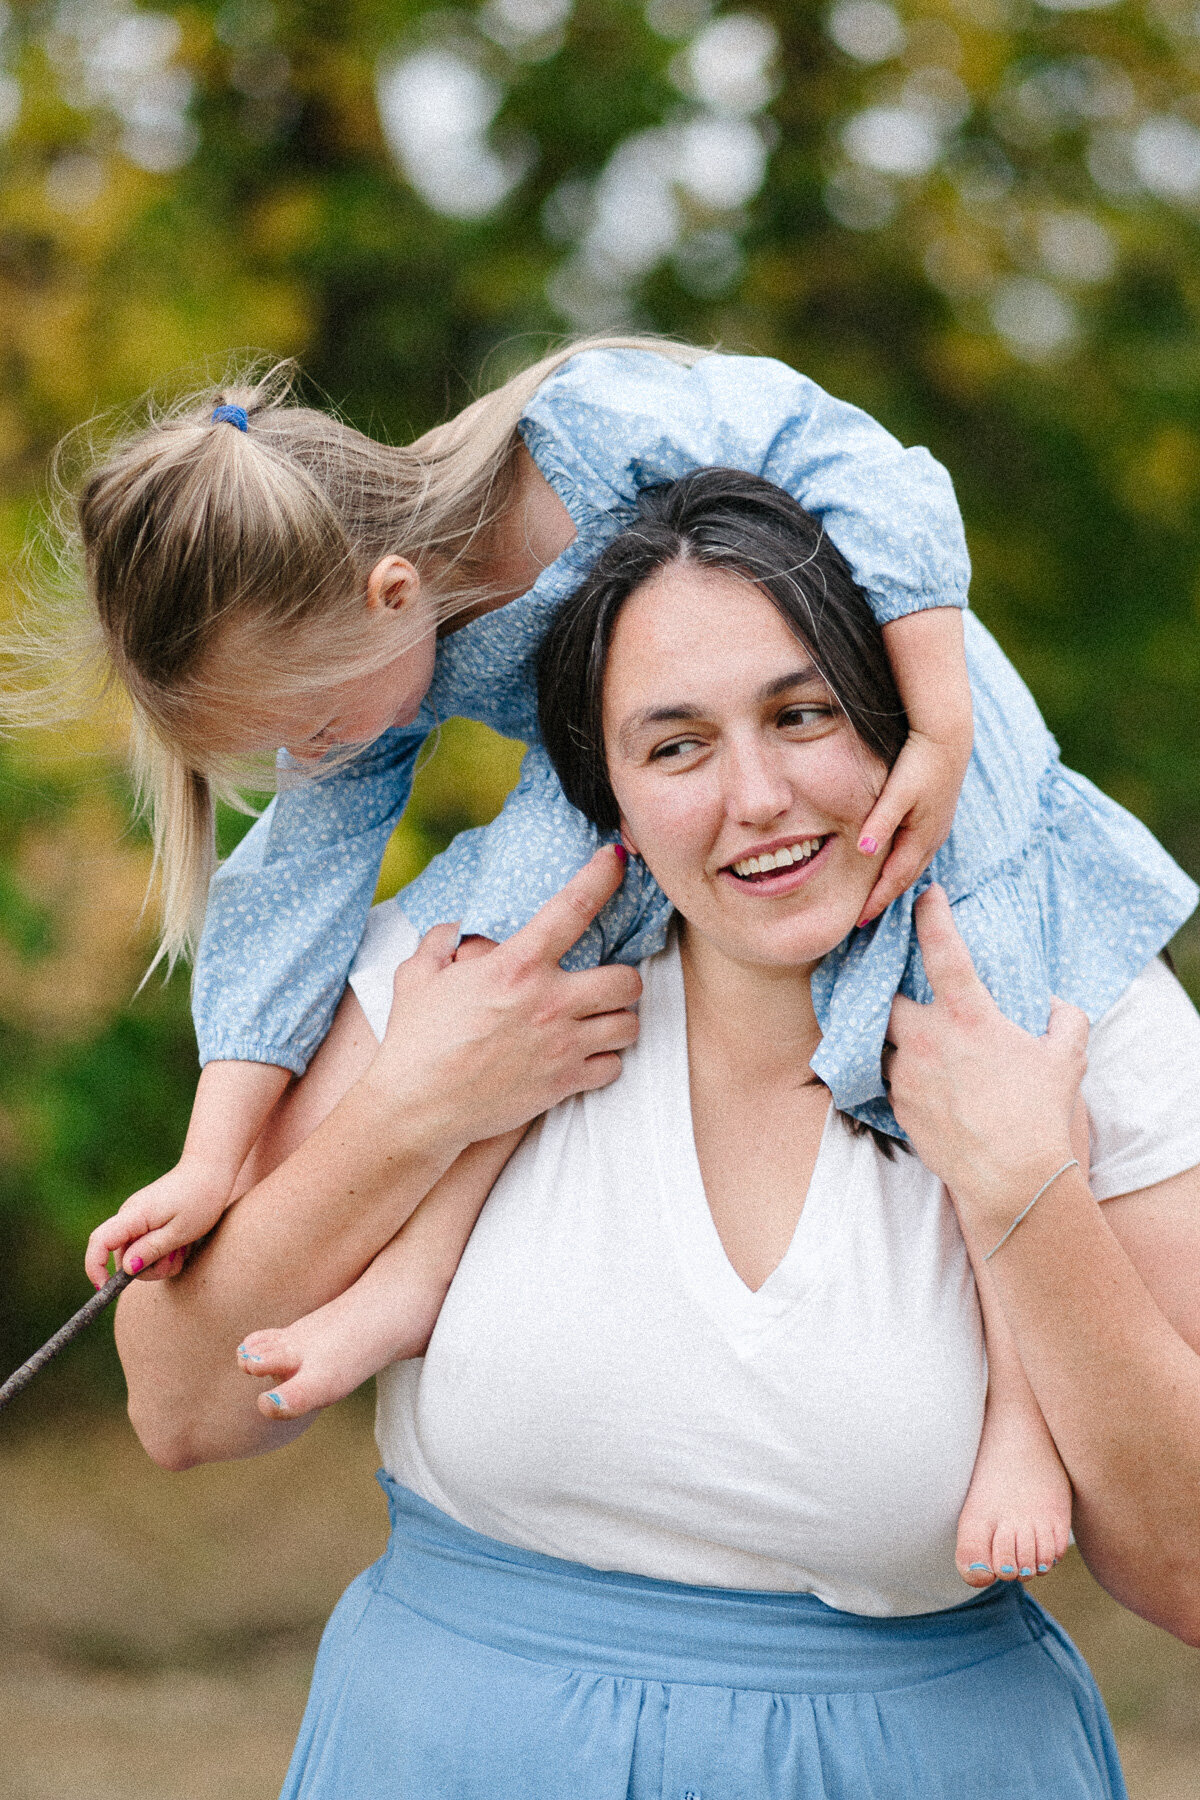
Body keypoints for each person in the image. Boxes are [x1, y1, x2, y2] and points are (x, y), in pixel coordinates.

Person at [112, 473, 1200, 1799]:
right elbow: (181, 1407)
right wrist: (410, 1112)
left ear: (904, 716)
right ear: (602, 788)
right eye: (674, 745)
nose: (757, 796)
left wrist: (1031, 1191)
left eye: (803, 716)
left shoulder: (1089, 1021)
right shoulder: (470, 974)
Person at [63, 336, 1190, 1303]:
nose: (305, 760)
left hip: (888, 710)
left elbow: (865, 463)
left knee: (991, 1032)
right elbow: (292, 881)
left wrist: (939, 727)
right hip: (655, 783)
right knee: (503, 943)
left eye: (305, 727)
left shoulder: (587, 430)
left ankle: (1021, 1421)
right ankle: (416, 1277)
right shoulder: (377, 671)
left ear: (393, 592)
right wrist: (214, 1160)